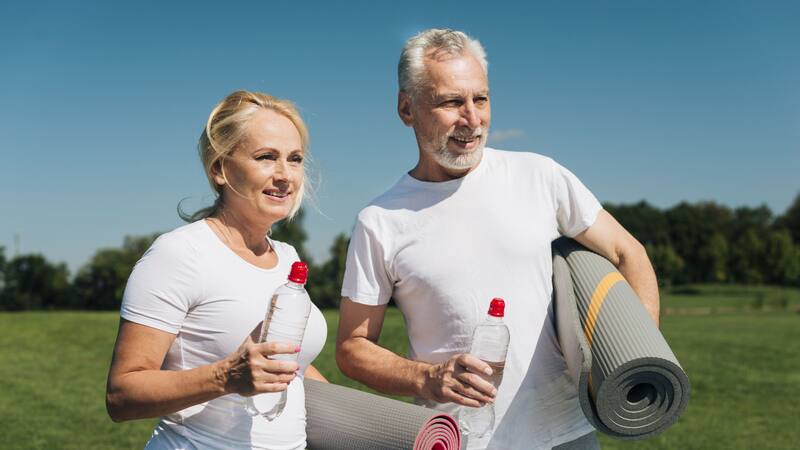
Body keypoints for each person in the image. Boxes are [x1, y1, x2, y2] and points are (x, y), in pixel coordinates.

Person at [336, 29, 659, 450]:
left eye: (481, 99)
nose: (472, 119)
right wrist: (427, 378)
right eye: (451, 102)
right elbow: (352, 348)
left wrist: (638, 353)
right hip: (457, 439)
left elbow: (626, 252)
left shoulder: (540, 176)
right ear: (406, 108)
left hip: (565, 433)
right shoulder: (380, 221)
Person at [106, 90, 328, 450]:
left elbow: (292, 369)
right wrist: (226, 376)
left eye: (295, 159)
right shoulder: (179, 254)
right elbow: (122, 394)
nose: (285, 175)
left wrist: (366, 420)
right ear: (219, 169)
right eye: (266, 157)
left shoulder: (287, 257)